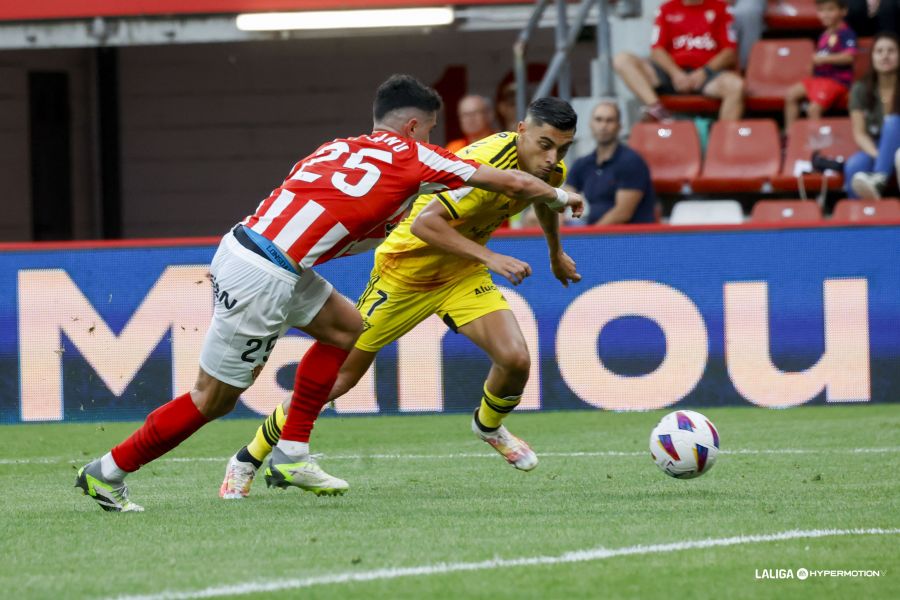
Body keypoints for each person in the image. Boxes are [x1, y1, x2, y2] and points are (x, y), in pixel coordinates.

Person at [74, 75, 585, 512]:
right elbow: (508, 186)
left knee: (347, 328)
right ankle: (108, 470)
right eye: (429, 129)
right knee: (212, 400)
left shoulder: (340, 146)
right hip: (267, 274)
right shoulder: (417, 156)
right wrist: (564, 196)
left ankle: (293, 453)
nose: (431, 138)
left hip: (258, 249)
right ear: (412, 126)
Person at [219, 98, 583, 499]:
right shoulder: (486, 165)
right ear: (521, 131)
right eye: (545, 145)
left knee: (516, 360)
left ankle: (488, 425)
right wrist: (491, 256)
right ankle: (247, 458)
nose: (552, 158)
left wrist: (554, 252)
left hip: (460, 274)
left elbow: (545, 197)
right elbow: (427, 225)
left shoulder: (547, 168)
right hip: (404, 275)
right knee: (338, 380)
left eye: (562, 149)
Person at [613, 0, 745, 122]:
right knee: (622, 60)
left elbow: (729, 52)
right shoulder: (666, 9)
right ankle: (658, 110)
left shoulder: (721, 8)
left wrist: (703, 72)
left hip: (707, 74)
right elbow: (657, 50)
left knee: (736, 86)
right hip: (671, 74)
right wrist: (675, 73)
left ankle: (724, 143)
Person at [564, 100, 657, 225]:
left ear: (619, 126)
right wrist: (555, 218)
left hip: (627, 236)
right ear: (591, 124)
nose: (603, 126)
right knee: (535, 220)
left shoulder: (632, 162)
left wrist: (589, 238)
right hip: (592, 228)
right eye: (599, 120)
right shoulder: (583, 163)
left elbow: (622, 213)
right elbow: (563, 200)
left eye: (610, 120)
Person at [784, 0, 858, 128]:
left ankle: (816, 144)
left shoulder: (846, 33)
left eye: (830, 10)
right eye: (821, 11)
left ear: (843, 11)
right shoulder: (824, 35)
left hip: (836, 81)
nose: (825, 14)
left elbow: (849, 57)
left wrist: (824, 59)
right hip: (819, 80)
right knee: (791, 95)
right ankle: (790, 138)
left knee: (813, 109)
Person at [845, 32, 900, 198]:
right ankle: (859, 218)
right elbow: (859, 133)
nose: (885, 56)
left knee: (893, 122)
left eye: (891, 51)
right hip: (875, 145)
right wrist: (883, 156)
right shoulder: (860, 88)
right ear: (872, 57)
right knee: (854, 166)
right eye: (879, 51)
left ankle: (877, 178)